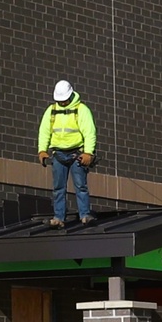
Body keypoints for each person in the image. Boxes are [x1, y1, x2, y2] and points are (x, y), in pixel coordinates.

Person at [37, 80, 98, 227]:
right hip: (58, 154)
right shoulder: (51, 111)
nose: (62, 103)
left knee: (81, 186)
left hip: (76, 153)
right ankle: (59, 218)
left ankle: (84, 215)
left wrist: (88, 153)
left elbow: (89, 132)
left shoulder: (81, 110)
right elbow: (44, 132)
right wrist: (42, 150)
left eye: (64, 100)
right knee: (58, 188)